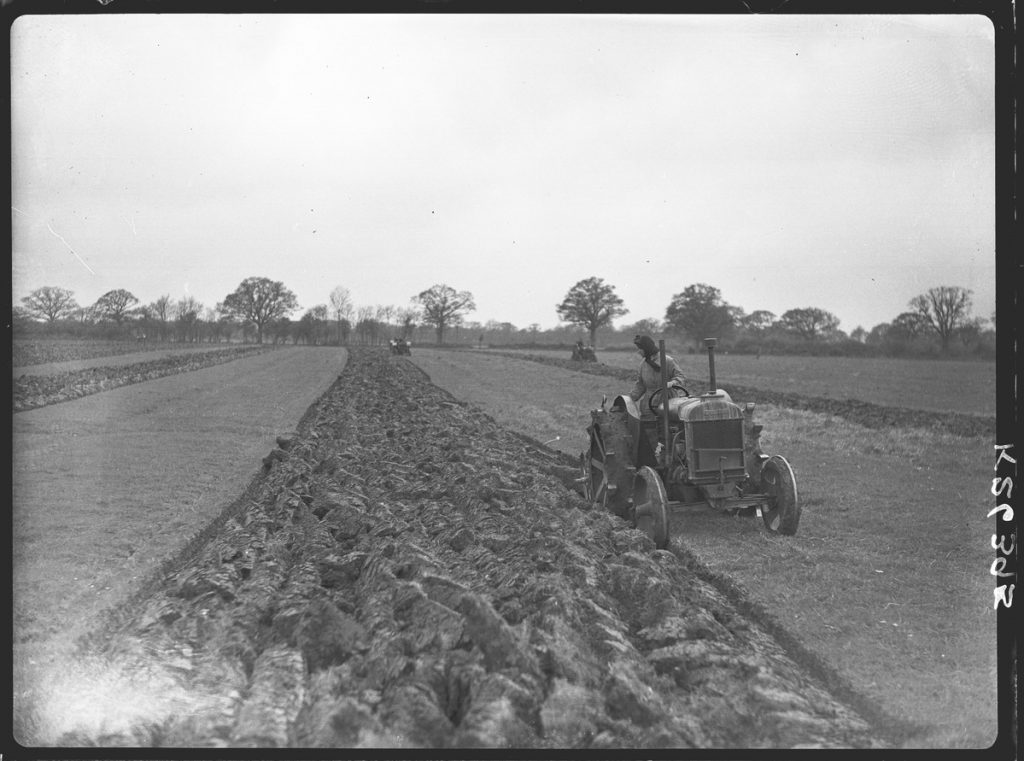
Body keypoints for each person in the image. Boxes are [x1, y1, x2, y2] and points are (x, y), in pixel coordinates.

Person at [629, 334, 688, 417]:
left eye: (640, 349)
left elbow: (681, 377)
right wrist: (630, 399)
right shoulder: (643, 364)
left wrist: (672, 383)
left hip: (669, 402)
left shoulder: (668, 361)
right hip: (649, 404)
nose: (638, 351)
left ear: (647, 348)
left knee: (668, 426)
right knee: (648, 426)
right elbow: (640, 385)